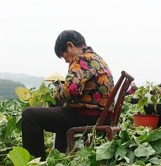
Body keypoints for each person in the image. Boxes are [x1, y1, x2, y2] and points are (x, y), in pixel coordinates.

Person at [21, 30, 114, 159]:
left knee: (29, 115)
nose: (66, 61)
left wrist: (57, 92)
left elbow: (72, 89)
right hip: (102, 115)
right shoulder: (95, 58)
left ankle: (35, 163)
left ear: (70, 45)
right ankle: (61, 152)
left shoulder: (81, 58)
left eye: (65, 55)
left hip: (89, 116)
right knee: (60, 108)